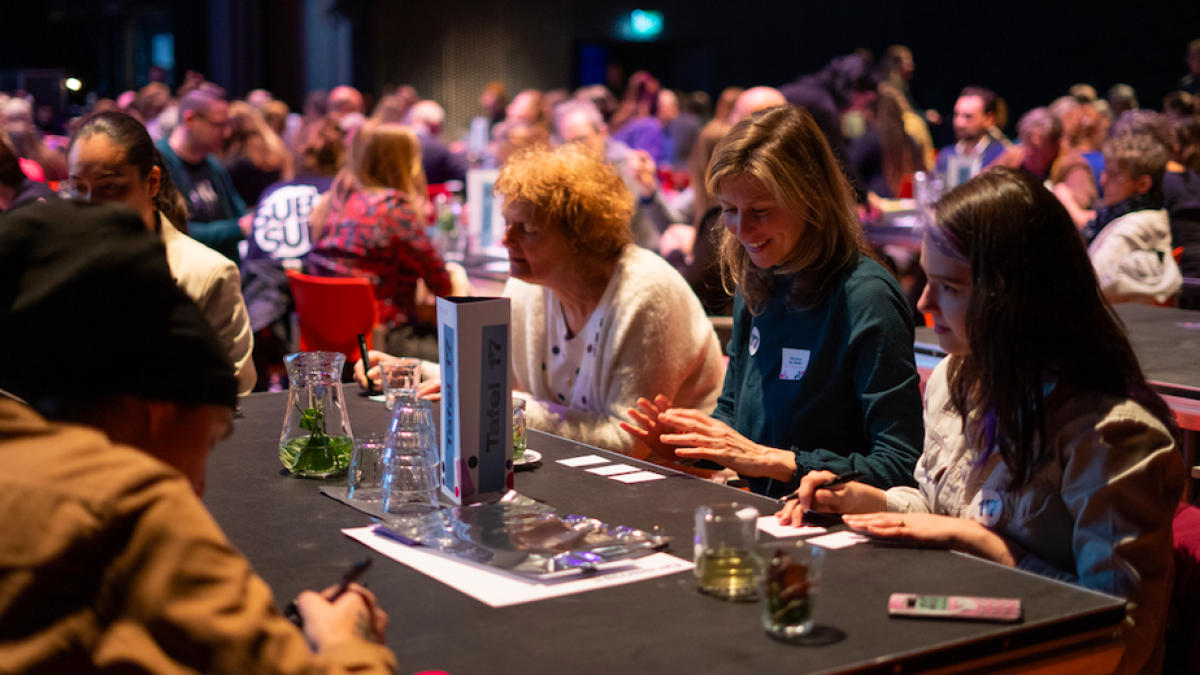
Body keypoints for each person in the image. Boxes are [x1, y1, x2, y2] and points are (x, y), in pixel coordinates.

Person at [780, 167, 1183, 675]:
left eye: (947, 286)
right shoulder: (955, 378)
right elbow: (936, 503)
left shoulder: (1111, 434)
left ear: (1013, 296)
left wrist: (981, 543)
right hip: (954, 638)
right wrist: (867, 498)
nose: (923, 303)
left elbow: (1120, 637)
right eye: (927, 279)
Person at [0, 200, 395, 673]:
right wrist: (343, 641)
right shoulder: (132, 507)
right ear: (157, 408)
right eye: (210, 441)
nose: (200, 487)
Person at [623, 105, 923, 497]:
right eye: (729, 210)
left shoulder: (866, 297)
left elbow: (899, 465)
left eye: (760, 212)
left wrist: (774, 461)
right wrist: (690, 447)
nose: (742, 230)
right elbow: (734, 419)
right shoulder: (758, 279)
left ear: (810, 200)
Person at [357, 143, 725, 457]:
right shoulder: (527, 285)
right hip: (578, 473)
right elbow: (498, 384)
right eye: (507, 223)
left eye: (528, 230)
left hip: (677, 483)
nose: (505, 240)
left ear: (582, 238)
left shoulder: (647, 294)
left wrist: (501, 406)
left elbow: (630, 441)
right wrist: (410, 372)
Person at [67, 111, 257, 394]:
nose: (90, 206)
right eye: (78, 188)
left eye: (110, 188)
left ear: (152, 183)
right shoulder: (55, 261)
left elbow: (233, 388)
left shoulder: (208, 274)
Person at [307, 119, 451, 360]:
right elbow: (441, 284)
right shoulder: (393, 209)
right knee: (472, 352)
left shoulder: (331, 203)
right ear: (405, 162)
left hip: (328, 344)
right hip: (386, 344)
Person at [158, 86, 250, 264]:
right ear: (190, 119)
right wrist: (238, 229)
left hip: (225, 274)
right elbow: (175, 232)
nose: (227, 132)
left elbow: (239, 212)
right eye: (218, 125)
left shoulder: (213, 165)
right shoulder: (160, 163)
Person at [1087, 133, 1182, 304]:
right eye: (1104, 172)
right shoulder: (1153, 216)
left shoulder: (1132, 230)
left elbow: (1083, 286)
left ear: (1143, 184)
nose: (1103, 181)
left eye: (1114, 175)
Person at [935, 87, 1006, 186]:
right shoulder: (945, 155)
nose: (959, 123)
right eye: (956, 115)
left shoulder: (1001, 156)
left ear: (989, 119)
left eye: (968, 116)